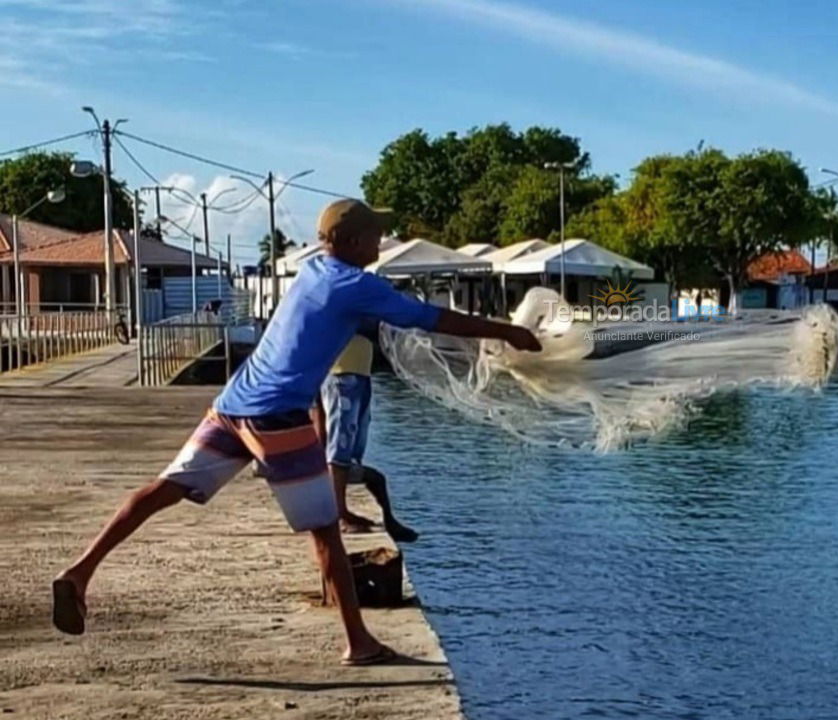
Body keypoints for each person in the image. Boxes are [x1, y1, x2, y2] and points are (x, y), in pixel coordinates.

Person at [51, 199, 541, 665]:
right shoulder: (354, 283)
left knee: (165, 489)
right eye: (375, 233)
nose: (382, 239)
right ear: (350, 240)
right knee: (326, 531)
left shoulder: (311, 271)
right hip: (277, 416)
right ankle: (359, 643)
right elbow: (434, 318)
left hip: (232, 405)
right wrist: (509, 332)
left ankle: (81, 570)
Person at [316, 329, 419, 541]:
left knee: (367, 469)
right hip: (341, 372)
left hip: (359, 372)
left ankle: (387, 521)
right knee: (340, 447)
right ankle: (339, 516)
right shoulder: (345, 300)